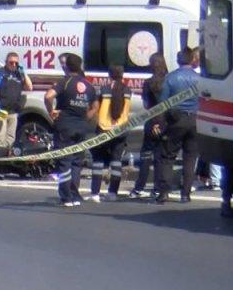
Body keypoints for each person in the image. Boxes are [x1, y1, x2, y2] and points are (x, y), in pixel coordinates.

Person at [44, 53, 99, 207]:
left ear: (67, 66)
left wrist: (51, 111)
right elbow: (95, 106)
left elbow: (48, 96)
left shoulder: (65, 82)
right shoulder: (88, 85)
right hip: (81, 127)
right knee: (76, 161)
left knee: (64, 161)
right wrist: (85, 117)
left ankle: (66, 197)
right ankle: (75, 195)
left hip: (65, 126)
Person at [154, 48, 201, 204]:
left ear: (178, 60)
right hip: (195, 119)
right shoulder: (199, 78)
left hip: (175, 119)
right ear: (192, 59)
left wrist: (159, 123)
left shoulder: (170, 78)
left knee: (167, 156)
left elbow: (162, 103)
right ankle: (186, 194)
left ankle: (164, 192)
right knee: (190, 157)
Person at [88, 64, 131, 201]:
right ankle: (113, 193)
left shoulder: (104, 89)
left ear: (109, 75)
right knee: (116, 161)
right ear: (122, 75)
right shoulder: (128, 90)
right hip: (121, 130)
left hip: (103, 129)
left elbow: (96, 106)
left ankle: (95, 193)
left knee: (98, 160)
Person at [129, 53, 169, 200]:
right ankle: (158, 188)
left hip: (152, 120)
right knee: (160, 156)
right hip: (165, 122)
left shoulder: (148, 83)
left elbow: (146, 105)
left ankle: (139, 187)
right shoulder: (168, 81)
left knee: (146, 155)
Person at [0, 51, 31, 149]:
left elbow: (29, 87)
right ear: (6, 62)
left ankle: (7, 159)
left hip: (13, 111)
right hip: (0, 110)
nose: (13, 64)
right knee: (0, 136)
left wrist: (24, 73)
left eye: (16, 63)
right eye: (11, 62)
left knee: (11, 138)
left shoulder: (19, 74)